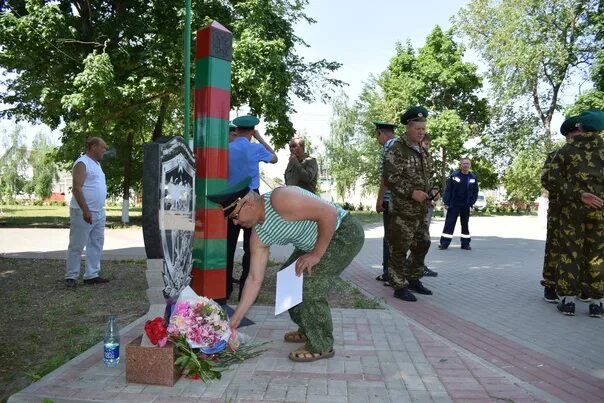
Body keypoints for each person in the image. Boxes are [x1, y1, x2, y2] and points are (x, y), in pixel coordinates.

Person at [207, 177, 365, 362]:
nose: (235, 223)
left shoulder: (280, 199)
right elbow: (254, 279)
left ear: (247, 203)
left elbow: (329, 213)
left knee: (309, 285)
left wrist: (316, 255)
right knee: (288, 281)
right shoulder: (259, 235)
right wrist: (236, 319)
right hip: (313, 245)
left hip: (342, 233)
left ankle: (322, 344)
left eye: (235, 216)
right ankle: (309, 328)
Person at [547, 110, 604, 318]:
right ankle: (597, 303)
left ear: (579, 127)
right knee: (597, 255)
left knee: (570, 252)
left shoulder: (567, 151)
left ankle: (568, 301)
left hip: (572, 212)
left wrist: (579, 194)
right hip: (600, 212)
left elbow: (551, 180)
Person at [383, 106, 437, 301]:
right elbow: (390, 178)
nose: (422, 133)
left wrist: (431, 191)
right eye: (418, 129)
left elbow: (426, 176)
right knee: (399, 246)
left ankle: (413, 278)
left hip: (421, 209)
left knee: (423, 243)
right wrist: (411, 192)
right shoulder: (397, 148)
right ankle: (398, 285)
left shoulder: (422, 151)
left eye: (424, 129)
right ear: (408, 128)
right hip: (403, 210)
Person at [226, 115, 278, 300]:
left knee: (228, 246)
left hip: (230, 199)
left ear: (236, 130)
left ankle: (225, 290)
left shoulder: (227, 148)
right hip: (252, 200)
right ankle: (244, 291)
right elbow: (274, 158)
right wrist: (260, 138)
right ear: (252, 131)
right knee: (251, 247)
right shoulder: (255, 148)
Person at [65, 137, 109, 287]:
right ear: (93, 147)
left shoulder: (96, 164)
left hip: (98, 212)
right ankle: (71, 276)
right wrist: (85, 210)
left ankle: (92, 275)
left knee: (96, 244)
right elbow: (77, 189)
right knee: (77, 245)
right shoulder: (82, 163)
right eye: (103, 147)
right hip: (83, 212)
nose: (104, 150)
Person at [373, 120, 397, 286]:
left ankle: (389, 272)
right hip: (404, 200)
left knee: (389, 238)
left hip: (391, 200)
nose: (377, 140)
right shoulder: (403, 145)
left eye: (377, 136)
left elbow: (386, 177)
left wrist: (380, 199)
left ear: (381, 133)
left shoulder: (388, 146)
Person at [438, 158, 479, 250]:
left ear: (470, 165)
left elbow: (476, 191)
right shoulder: (454, 176)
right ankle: (444, 243)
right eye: (464, 163)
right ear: (460, 165)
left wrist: (472, 201)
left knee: (465, 224)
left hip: (466, 204)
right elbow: (448, 189)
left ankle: (465, 244)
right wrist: (446, 202)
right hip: (454, 204)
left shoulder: (472, 177)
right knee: (449, 223)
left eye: (467, 163)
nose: (465, 165)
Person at [420, 133, 438, 277]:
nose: (428, 148)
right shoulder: (411, 157)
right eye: (426, 144)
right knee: (418, 239)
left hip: (427, 204)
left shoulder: (427, 159)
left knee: (423, 240)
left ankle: (419, 266)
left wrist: (435, 192)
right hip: (415, 206)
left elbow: (430, 179)